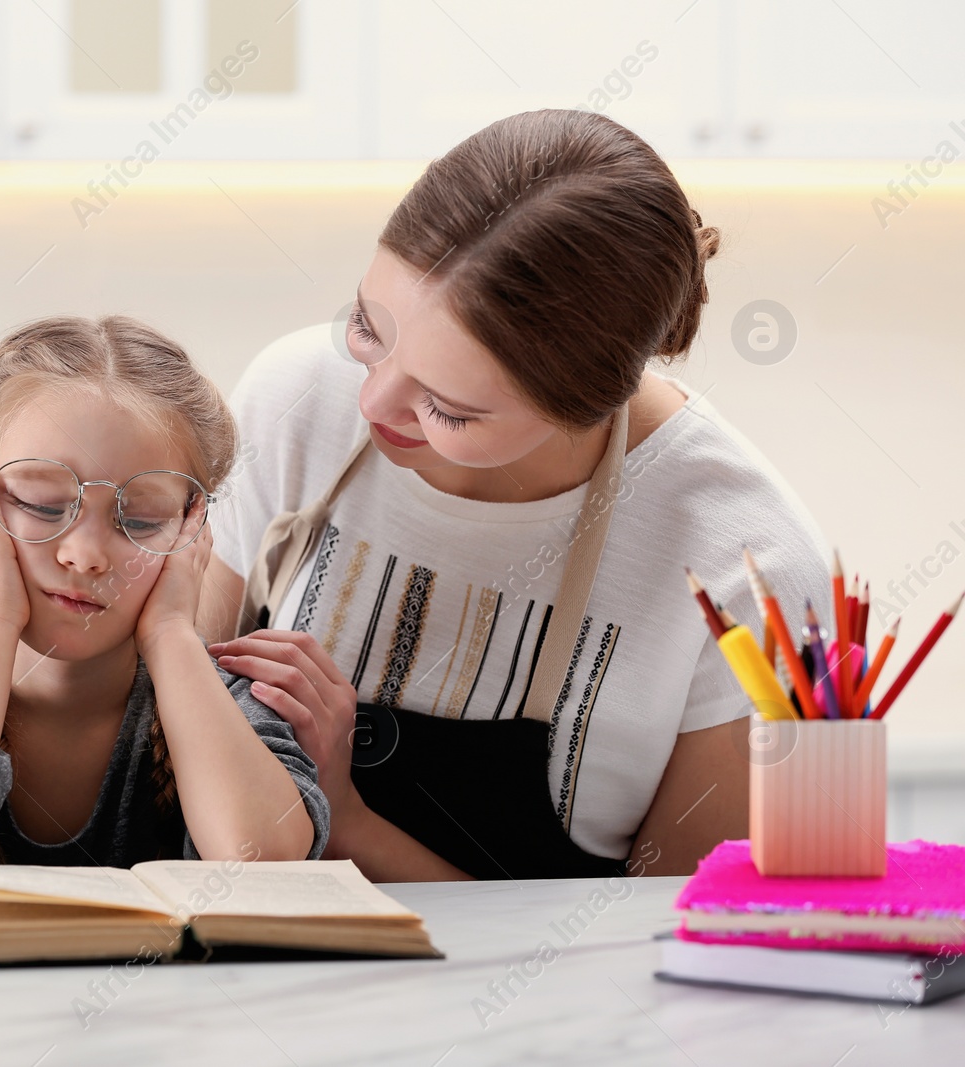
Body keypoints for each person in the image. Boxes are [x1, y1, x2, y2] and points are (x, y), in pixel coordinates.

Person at [196, 109, 831, 881]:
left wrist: (342, 820)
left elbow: (662, 945)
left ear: (590, 402)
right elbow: (167, 735)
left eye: (448, 409)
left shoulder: (750, 569)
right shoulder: (298, 396)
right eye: (368, 328)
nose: (372, 404)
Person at [0, 316, 327, 895]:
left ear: (192, 530)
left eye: (142, 519)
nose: (86, 554)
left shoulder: (231, 702)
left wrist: (172, 631)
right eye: (45, 505)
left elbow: (264, 868)